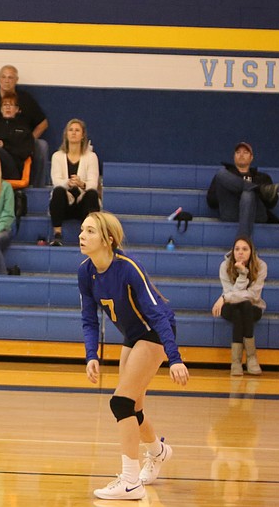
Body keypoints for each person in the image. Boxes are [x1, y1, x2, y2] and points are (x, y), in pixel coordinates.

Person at [78, 211, 189, 500]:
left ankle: (130, 480)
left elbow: (158, 314)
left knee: (120, 402)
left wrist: (174, 358)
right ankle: (158, 451)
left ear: (108, 239)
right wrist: (92, 355)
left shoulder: (128, 268)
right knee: (134, 407)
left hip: (153, 331)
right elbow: (89, 318)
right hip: (132, 336)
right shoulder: (85, 271)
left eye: (90, 231)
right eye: (82, 230)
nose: (82, 235)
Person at [211, 237, 267, 377]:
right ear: (233, 251)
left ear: (251, 251)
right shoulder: (225, 266)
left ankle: (247, 359)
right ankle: (240, 361)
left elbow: (253, 295)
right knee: (238, 310)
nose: (240, 252)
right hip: (230, 307)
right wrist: (242, 274)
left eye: (244, 249)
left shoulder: (261, 266)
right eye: (237, 249)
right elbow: (230, 292)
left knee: (246, 305)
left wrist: (224, 298)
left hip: (253, 306)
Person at [206, 142, 279, 238]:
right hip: (231, 212)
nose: (241, 155)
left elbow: (272, 203)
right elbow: (211, 202)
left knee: (247, 194)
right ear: (234, 156)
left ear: (251, 157)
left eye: (245, 152)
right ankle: (256, 189)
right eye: (238, 152)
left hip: (256, 214)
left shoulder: (262, 177)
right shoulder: (225, 176)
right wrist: (230, 189)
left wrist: (247, 191)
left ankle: (242, 239)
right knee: (221, 173)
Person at [47, 118, 100, 246]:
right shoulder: (57, 156)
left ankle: (90, 236)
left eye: (77, 130)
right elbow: (56, 180)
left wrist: (81, 183)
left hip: (83, 202)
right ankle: (57, 235)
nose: (73, 133)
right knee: (58, 191)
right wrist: (68, 183)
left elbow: (93, 183)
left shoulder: (91, 157)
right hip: (65, 203)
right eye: (70, 130)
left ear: (82, 136)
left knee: (92, 194)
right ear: (66, 134)